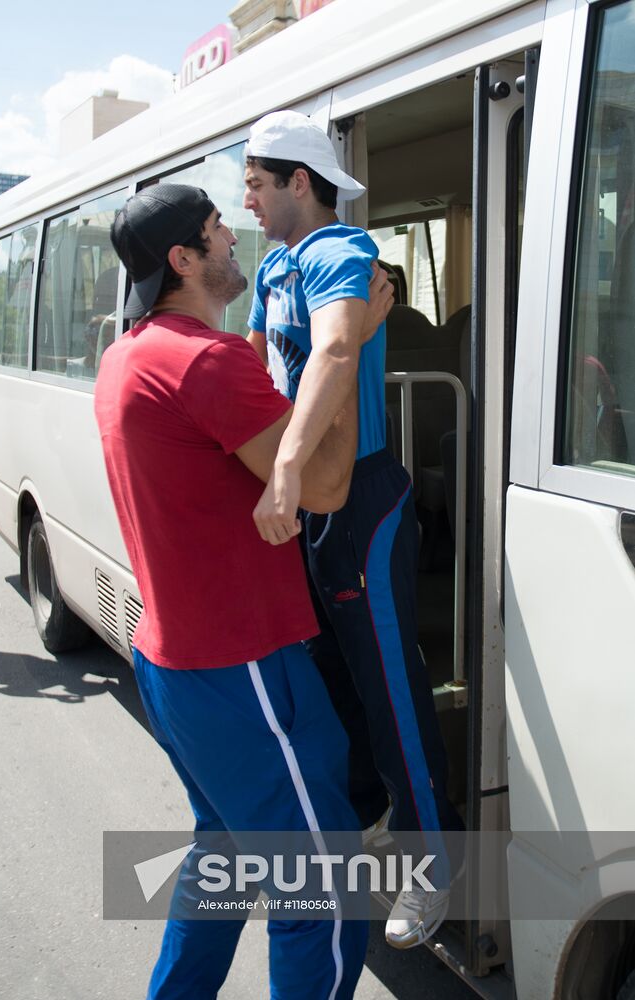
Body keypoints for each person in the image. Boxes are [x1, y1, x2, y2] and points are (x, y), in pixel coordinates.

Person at [94, 183, 392, 999]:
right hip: (244, 670)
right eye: (216, 231)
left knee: (222, 860)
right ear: (183, 260)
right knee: (322, 896)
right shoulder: (207, 361)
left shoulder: (128, 353)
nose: (235, 238)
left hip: (179, 663)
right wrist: (352, 343)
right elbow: (326, 485)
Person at [243, 110, 465, 949]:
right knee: (327, 676)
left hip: (359, 500)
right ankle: (373, 815)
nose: (251, 203)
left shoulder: (343, 253)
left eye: (260, 186)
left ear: (300, 181)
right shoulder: (276, 267)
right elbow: (264, 364)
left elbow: (334, 354)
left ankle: (434, 859)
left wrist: (288, 470)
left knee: (389, 686)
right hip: (305, 502)